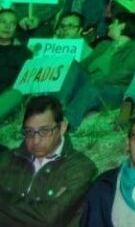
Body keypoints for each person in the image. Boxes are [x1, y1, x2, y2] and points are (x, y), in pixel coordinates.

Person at [0, 95, 97, 226]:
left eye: (44, 131)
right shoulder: (7, 159)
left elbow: (49, 218)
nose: (36, 140)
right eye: (29, 132)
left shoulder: (81, 168)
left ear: (62, 128)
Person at [63, 12, 135, 131]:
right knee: (73, 66)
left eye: (113, 23)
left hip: (114, 89)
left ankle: (66, 126)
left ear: (122, 26)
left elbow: (126, 72)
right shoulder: (104, 45)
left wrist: (97, 81)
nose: (109, 26)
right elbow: (82, 65)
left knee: (91, 90)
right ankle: (55, 109)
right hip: (91, 82)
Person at [0, 8, 32, 121]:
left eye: (12, 23)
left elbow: (26, 83)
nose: (7, 26)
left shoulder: (23, 52)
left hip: (8, 96)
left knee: (14, 94)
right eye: (3, 22)